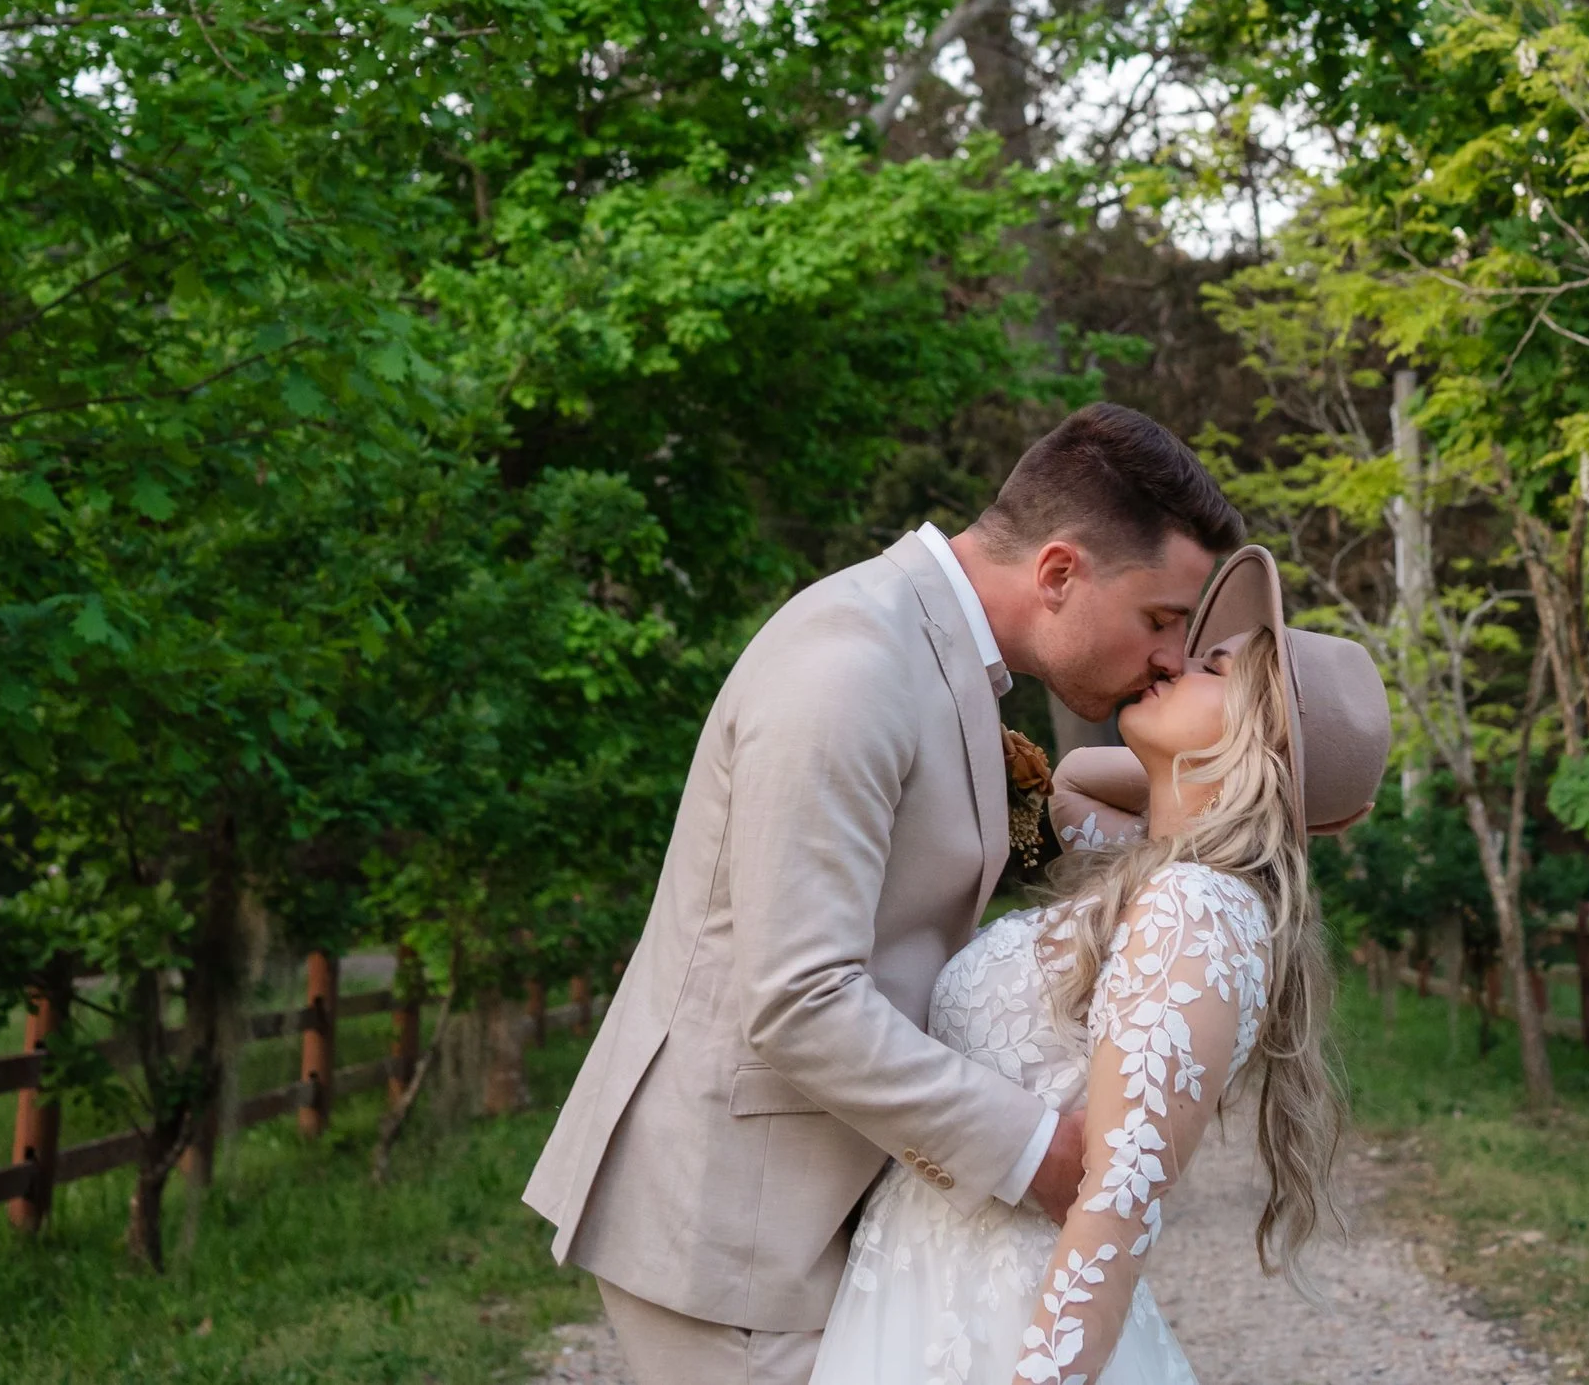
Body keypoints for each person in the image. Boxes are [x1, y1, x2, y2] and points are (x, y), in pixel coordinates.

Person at [523, 404, 1245, 1384]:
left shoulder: (932, 656)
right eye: (1160, 619)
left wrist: (1240, 798)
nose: (1168, 655)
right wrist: (1041, 1153)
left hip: (808, 1217)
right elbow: (799, 1001)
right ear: (1060, 572)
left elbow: (1056, 816)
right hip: (736, 1233)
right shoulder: (850, 666)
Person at [805, 544, 1391, 1385]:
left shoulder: (1199, 909)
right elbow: (1075, 780)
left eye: (1213, 669)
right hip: (926, 1293)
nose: (1176, 664)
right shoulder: (1154, 871)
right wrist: (1205, 781)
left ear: (1259, 734)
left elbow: (1119, 1206)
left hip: (1005, 1328)